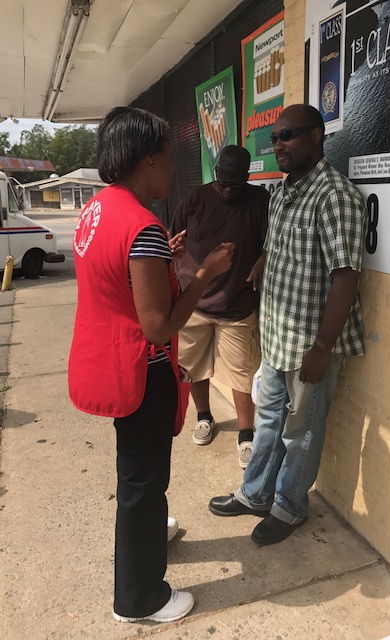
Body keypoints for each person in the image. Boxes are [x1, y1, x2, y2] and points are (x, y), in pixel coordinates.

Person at [68, 106, 234, 623]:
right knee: (143, 482)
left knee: (137, 473)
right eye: (169, 156)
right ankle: (140, 600)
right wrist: (205, 273)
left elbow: (119, 277)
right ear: (147, 160)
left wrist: (163, 258)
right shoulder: (142, 225)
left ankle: (149, 535)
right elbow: (159, 326)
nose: (172, 167)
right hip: (141, 367)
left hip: (110, 358)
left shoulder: (98, 209)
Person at [209, 104, 367, 545]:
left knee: (302, 431)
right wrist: (264, 259)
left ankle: (291, 505)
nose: (278, 144)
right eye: (274, 137)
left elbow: (346, 275)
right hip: (277, 335)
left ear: (316, 136)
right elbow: (281, 243)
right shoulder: (283, 193)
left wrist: (323, 347)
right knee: (267, 420)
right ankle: (257, 493)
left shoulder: (334, 196)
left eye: (288, 135)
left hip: (309, 344)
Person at [170, 145, 269, 468]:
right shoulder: (195, 199)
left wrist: (263, 258)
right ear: (215, 175)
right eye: (223, 183)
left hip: (237, 304)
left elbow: (273, 241)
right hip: (194, 302)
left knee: (242, 372)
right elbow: (174, 239)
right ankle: (204, 417)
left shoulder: (259, 201)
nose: (228, 190)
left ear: (247, 178)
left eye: (235, 185)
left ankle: (246, 434)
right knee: (192, 367)